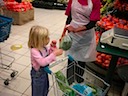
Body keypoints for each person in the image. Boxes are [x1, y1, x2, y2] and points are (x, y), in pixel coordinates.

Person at [65, 0, 100, 85]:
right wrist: (67, 27)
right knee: (71, 58)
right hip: (73, 33)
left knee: (82, 59)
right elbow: (69, 16)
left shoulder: (95, 1)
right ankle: (69, 83)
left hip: (85, 35)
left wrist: (77, 29)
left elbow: (92, 23)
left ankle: (79, 82)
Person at [28, 25, 63, 96]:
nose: (48, 39)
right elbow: (42, 62)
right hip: (37, 75)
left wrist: (53, 48)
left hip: (44, 73)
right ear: (39, 40)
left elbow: (48, 53)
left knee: (45, 88)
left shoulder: (44, 47)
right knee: (38, 92)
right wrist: (54, 54)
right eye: (46, 38)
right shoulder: (34, 51)